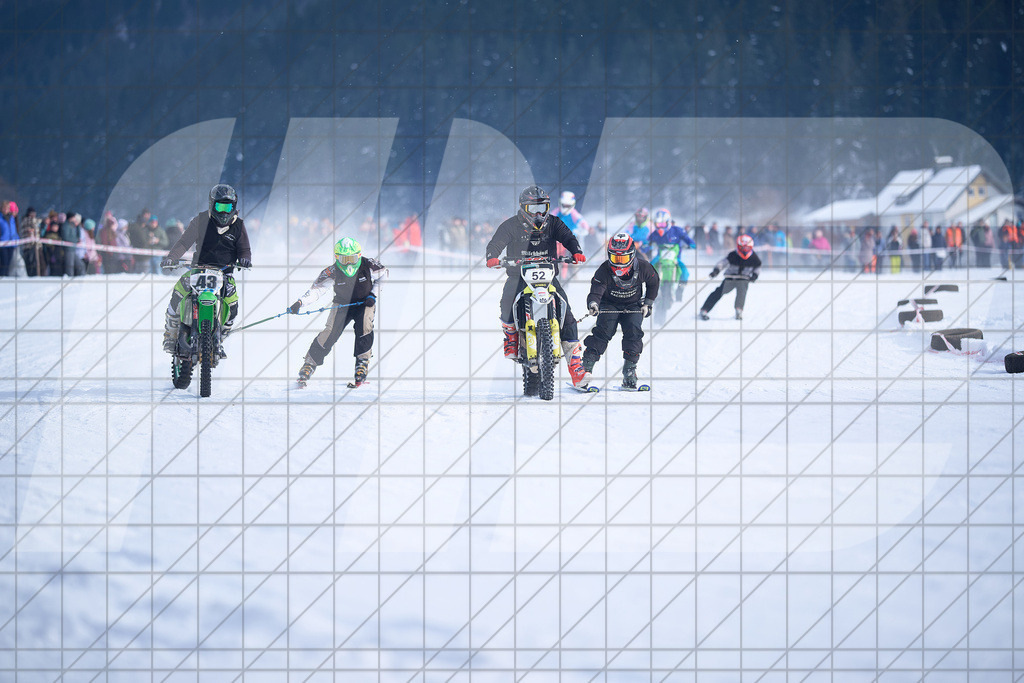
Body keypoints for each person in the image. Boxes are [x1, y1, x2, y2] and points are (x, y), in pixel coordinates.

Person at [485, 185, 587, 386]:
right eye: (534, 209)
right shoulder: (511, 225)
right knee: (506, 302)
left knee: (567, 314)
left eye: (543, 208)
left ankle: (577, 369)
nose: (539, 214)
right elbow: (496, 243)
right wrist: (492, 257)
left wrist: (575, 251)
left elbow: (568, 237)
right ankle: (512, 338)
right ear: (523, 208)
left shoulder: (554, 223)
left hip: (548, 277)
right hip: (519, 276)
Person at [160, 184, 252, 357]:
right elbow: (183, 243)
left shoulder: (239, 225)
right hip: (198, 270)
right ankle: (170, 333)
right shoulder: (201, 220)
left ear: (234, 207)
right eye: (220, 206)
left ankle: (221, 336)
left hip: (224, 273)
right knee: (178, 292)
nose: (224, 212)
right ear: (212, 204)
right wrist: (172, 257)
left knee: (233, 305)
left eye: (228, 207)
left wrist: (246, 260)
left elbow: (244, 249)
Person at [292, 237, 387, 387]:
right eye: (344, 259)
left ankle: (362, 363)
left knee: (364, 328)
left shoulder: (369, 265)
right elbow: (317, 290)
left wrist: (373, 295)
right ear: (337, 258)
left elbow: (384, 274)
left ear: (359, 255)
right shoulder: (332, 271)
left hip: (365, 302)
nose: (349, 263)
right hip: (342, 304)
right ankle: (309, 364)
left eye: (352, 258)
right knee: (330, 332)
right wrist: (300, 303)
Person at [579, 233, 660, 390]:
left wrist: (648, 303)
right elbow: (596, 290)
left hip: (633, 305)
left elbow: (653, 282)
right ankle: (584, 371)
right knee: (602, 333)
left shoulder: (643, 267)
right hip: (609, 305)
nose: (619, 263)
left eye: (622, 259)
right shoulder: (604, 270)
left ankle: (629, 372)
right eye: (615, 258)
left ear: (632, 255)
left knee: (634, 333)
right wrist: (594, 304)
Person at [699, 234, 761, 321]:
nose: (745, 250)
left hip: (744, 278)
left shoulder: (754, 257)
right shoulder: (733, 255)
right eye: (743, 248)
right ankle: (704, 309)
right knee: (718, 293)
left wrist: (755, 275)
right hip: (730, 277)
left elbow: (757, 267)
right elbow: (722, 263)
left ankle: (739, 310)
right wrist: (716, 270)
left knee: (742, 293)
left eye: (747, 248)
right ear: (739, 246)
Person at [646, 208, 695, 308]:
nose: (660, 227)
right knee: (648, 268)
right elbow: (647, 242)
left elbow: (688, 239)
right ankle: (647, 290)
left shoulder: (677, 230)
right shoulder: (655, 234)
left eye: (663, 224)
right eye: (658, 224)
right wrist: (646, 246)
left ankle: (680, 290)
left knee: (685, 272)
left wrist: (691, 244)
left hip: (675, 258)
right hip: (660, 257)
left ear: (668, 222)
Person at [0, 201, 18, 277]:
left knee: (8, 263)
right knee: (4, 262)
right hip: (3, 243)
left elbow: (14, 230)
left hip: (11, 243)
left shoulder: (11, 218)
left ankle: (6, 278)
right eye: (4, 208)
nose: (6, 210)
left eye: (7, 208)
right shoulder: (0, 218)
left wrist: (16, 239)